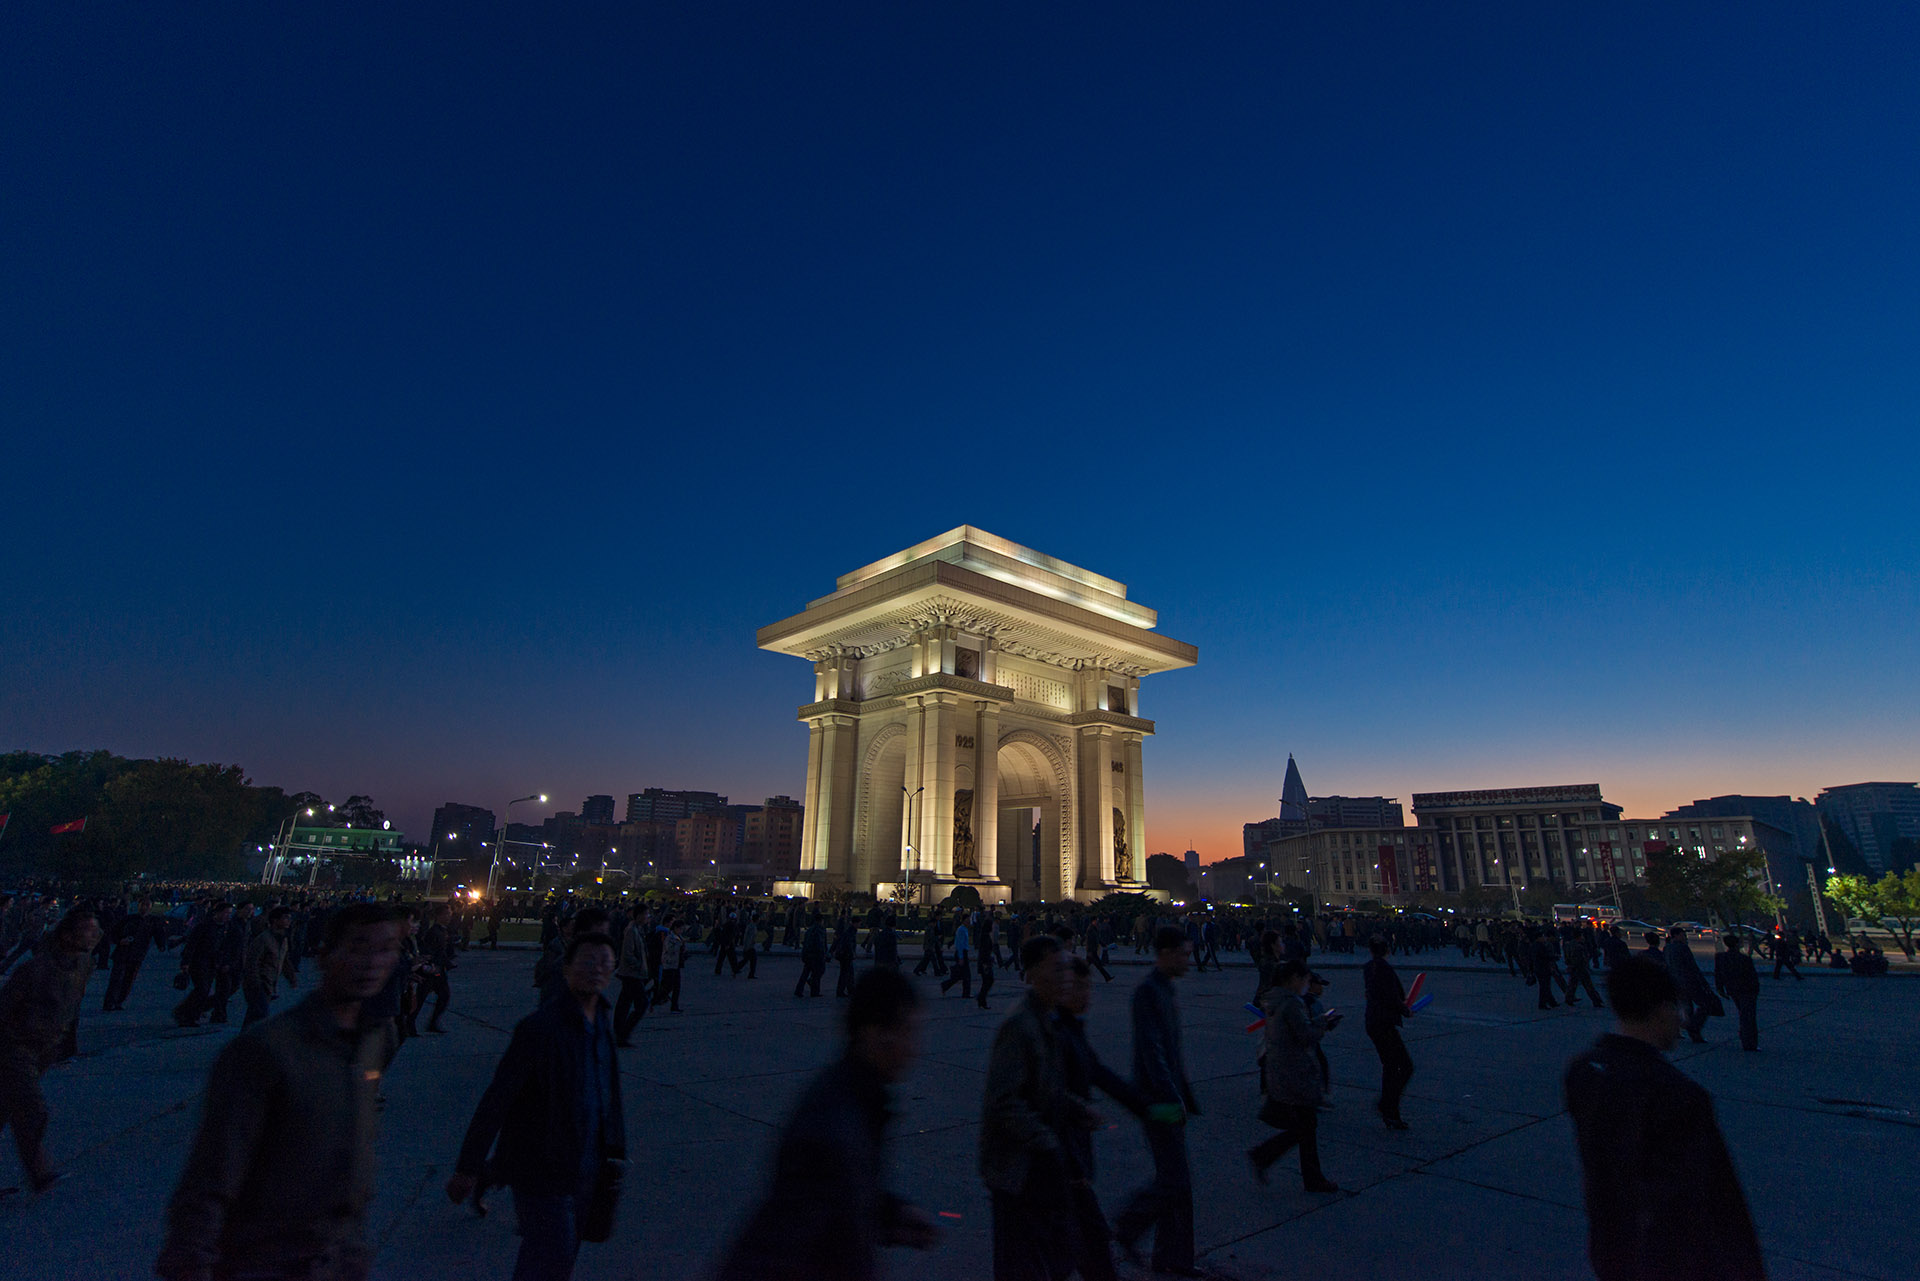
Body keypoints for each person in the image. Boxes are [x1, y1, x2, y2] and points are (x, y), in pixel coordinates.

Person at [156, 904, 404, 1280]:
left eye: (387, 949)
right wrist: (191, 1263)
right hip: (266, 1261)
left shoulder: (375, 1039)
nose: (373, 962)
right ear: (324, 956)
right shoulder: (267, 1050)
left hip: (336, 1259)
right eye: (358, 946)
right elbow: (211, 1176)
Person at [714, 968, 939, 1281]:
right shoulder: (834, 1126)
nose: (914, 1048)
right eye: (907, 1033)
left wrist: (892, 1214)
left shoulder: (857, 1099)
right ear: (873, 1032)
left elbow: (843, 1199)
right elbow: (794, 1246)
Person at [1564, 957, 1765, 1281]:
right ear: (1660, 1010)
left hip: (1611, 1251)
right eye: (1677, 1009)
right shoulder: (1677, 1095)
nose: (1681, 1020)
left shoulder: (1582, 1072)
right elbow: (1715, 1204)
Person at [448, 932, 625, 1281]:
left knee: (563, 1255)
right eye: (587, 961)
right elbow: (498, 1097)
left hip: (587, 1165)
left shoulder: (602, 1021)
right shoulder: (540, 1028)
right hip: (542, 1168)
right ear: (567, 969)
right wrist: (468, 1166)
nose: (596, 969)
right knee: (549, 1257)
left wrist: (615, 1149)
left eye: (604, 962)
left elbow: (608, 1091)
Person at [979, 935, 1096, 1281]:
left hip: (1035, 1170)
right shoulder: (1021, 1024)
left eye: (1066, 969)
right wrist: (1047, 1142)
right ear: (1031, 973)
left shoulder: (1045, 1019)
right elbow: (1004, 1103)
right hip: (1016, 1171)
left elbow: (1044, 1089)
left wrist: (1076, 1108)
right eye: (1056, 969)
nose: (1066, 978)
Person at [1113, 927, 1202, 1277]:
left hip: (1167, 1098)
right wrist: (1171, 1097)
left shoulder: (1163, 988)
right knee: (1175, 1181)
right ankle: (1127, 1227)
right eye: (1182, 953)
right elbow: (1152, 1052)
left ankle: (1172, 1258)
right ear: (1164, 953)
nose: (1188, 960)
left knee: (1176, 1181)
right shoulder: (1148, 992)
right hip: (1158, 1101)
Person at [1055, 956, 1143, 1281]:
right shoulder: (1055, 1033)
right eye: (1078, 987)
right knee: (1086, 1247)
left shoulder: (1071, 1031)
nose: (1085, 994)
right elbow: (1043, 1096)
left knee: (1083, 1248)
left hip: (1070, 1163)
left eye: (1087, 986)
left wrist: (1145, 1108)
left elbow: (1100, 1074)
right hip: (1061, 1164)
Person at [0, 908, 99, 1194]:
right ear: (67, 936)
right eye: (87, 930)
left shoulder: (84, 965)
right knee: (31, 1108)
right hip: (15, 1048)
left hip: (45, 1049)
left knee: (5, 1108)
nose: (93, 935)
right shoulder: (34, 970)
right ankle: (41, 1174)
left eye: (96, 930)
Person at [1248, 959, 1341, 1192]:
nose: (1306, 985)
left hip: (1282, 1068)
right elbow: (1305, 1035)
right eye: (1304, 980)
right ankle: (1268, 1158)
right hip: (1295, 1071)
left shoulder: (1274, 999)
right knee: (1306, 1125)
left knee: (1305, 1125)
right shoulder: (1291, 1003)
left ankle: (1270, 1159)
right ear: (1293, 979)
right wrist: (1323, 1024)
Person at [1361, 935, 1414, 1130]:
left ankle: (1389, 1109)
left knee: (1390, 1066)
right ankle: (1388, 1104)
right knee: (1405, 1066)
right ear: (1387, 950)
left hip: (1373, 1021)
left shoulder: (1368, 968)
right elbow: (1393, 996)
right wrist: (1405, 1010)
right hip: (1384, 1022)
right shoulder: (1385, 969)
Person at [172, 902, 232, 1028]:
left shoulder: (223, 928)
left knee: (204, 991)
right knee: (202, 989)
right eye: (226, 913)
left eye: (229, 913)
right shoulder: (204, 926)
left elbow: (223, 947)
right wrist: (186, 962)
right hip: (199, 962)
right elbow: (192, 944)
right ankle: (187, 1015)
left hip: (212, 963)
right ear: (218, 913)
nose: (228, 916)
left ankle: (189, 1014)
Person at [103, 897, 167, 1012]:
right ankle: (109, 1003)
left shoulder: (152, 921)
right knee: (116, 979)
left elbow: (159, 934)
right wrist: (120, 940)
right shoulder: (128, 919)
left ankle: (119, 1001)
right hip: (122, 953)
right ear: (138, 905)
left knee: (128, 980)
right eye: (143, 904)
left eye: (147, 905)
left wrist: (161, 945)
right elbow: (113, 932)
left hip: (138, 954)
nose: (145, 907)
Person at [240, 906, 297, 1029]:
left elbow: (284, 960)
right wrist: (255, 983)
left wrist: (291, 977)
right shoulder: (263, 939)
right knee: (260, 1016)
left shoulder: (282, 940)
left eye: (289, 918)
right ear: (275, 920)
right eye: (285, 918)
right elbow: (252, 962)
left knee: (254, 1018)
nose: (288, 921)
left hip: (269, 984)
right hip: (260, 984)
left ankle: (243, 1044)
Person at [1663, 927, 1719, 1044]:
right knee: (1704, 1005)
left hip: (1676, 982)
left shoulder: (1667, 948)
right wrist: (1704, 983)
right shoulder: (1683, 948)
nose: (1685, 937)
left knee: (1687, 1007)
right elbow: (1692, 967)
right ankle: (1693, 1028)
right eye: (1683, 935)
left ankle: (1693, 1033)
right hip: (1689, 982)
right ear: (1677, 935)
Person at [1714, 935, 1761, 1052]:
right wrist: (1756, 989)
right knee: (1748, 1017)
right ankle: (1749, 1042)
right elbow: (1752, 976)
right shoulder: (1745, 959)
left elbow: (1718, 974)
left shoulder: (1721, 958)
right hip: (1747, 990)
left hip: (1732, 989)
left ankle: (1745, 1037)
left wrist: (1720, 988)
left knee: (1743, 1013)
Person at [613, 908, 651, 1046]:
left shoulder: (638, 929)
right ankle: (623, 1033)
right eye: (646, 914)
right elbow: (628, 954)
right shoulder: (632, 931)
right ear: (639, 916)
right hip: (632, 973)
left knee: (624, 1002)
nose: (648, 917)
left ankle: (619, 1032)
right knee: (642, 1004)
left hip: (631, 972)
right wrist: (639, 966)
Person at [940, 912, 973, 999]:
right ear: (964, 920)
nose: (969, 921)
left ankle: (945, 985)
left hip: (962, 952)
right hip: (961, 953)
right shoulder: (961, 930)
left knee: (960, 975)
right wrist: (961, 957)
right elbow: (959, 944)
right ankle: (966, 994)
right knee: (966, 975)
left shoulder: (964, 929)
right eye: (968, 919)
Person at [656, 917, 685, 1013]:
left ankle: (674, 1006)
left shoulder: (679, 937)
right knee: (669, 986)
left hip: (676, 965)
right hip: (669, 964)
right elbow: (669, 949)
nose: (682, 931)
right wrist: (679, 946)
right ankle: (656, 998)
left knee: (677, 986)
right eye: (680, 928)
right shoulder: (670, 937)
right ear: (676, 928)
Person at [795, 911, 827, 998]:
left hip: (808, 954)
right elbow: (820, 944)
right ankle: (814, 991)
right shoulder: (820, 930)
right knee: (817, 973)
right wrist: (823, 954)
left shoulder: (810, 929)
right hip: (816, 955)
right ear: (821, 920)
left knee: (805, 973)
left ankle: (799, 990)